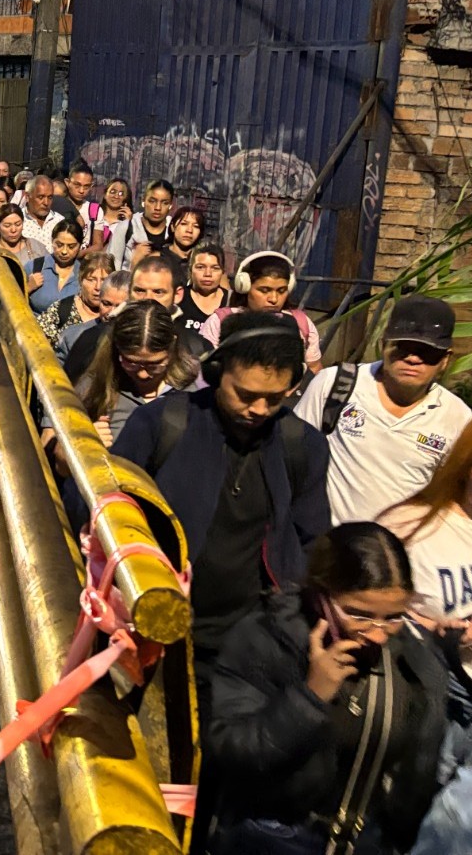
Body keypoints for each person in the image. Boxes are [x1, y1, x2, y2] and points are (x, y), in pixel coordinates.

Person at [203, 522, 447, 855]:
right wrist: (309, 697)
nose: (377, 634)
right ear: (322, 596)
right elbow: (231, 752)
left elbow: (416, 776)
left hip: (361, 841)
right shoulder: (266, 639)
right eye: (359, 614)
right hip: (272, 836)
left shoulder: (414, 662)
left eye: (393, 617)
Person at [103, 310, 330, 667]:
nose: (258, 409)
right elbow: (104, 510)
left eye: (274, 399)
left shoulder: (303, 445)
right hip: (156, 635)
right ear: (215, 373)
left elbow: (312, 542)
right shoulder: (160, 424)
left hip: (254, 648)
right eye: (245, 394)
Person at [384, 414, 472, 775]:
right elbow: (369, 609)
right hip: (440, 702)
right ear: (465, 469)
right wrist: (433, 632)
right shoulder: (408, 526)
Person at [295, 296, 472, 526]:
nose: (412, 358)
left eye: (427, 352)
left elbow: (452, 496)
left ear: (445, 359)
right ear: (383, 345)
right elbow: (293, 456)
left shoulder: (457, 416)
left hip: (403, 555)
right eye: (402, 347)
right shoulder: (335, 385)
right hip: (330, 549)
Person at [71, 300, 200, 447]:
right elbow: (58, 458)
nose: (143, 374)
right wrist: (83, 442)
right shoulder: (93, 387)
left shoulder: (197, 385)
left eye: (154, 365)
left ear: (172, 347)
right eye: (131, 363)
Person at [64, 255, 211, 382]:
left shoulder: (195, 348)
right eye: (139, 291)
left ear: (177, 295)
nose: (148, 299)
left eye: (158, 292)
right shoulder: (95, 340)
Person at [199, 251, 323, 372]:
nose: (273, 299)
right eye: (264, 290)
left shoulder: (301, 323)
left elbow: (314, 368)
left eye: (281, 291)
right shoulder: (220, 321)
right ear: (244, 286)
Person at [37, 250, 116, 347]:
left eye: (104, 280)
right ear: (81, 280)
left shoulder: (117, 313)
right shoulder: (61, 310)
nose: (98, 287)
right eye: (91, 280)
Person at [107, 179, 173, 265]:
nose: (158, 207)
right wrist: (135, 261)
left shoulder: (175, 229)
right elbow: (112, 265)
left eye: (164, 203)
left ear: (170, 205)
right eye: (152, 201)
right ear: (144, 200)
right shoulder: (127, 227)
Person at [27, 219, 86, 313]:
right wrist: (28, 288)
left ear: (80, 245)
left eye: (71, 247)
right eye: (59, 245)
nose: (64, 251)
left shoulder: (85, 274)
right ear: (52, 241)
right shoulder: (34, 267)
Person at [178, 242, 230, 332]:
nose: (208, 274)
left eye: (215, 268)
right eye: (200, 267)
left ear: (222, 272)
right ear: (190, 269)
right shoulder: (179, 298)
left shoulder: (231, 301)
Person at [51, 162, 105, 248]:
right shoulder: (56, 205)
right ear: (67, 182)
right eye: (77, 185)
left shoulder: (95, 211)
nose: (81, 190)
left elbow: (98, 245)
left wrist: (76, 254)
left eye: (86, 186)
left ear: (91, 186)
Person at [0, 203, 46, 280]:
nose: (13, 230)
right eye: (7, 225)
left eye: (18, 224)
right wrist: (29, 287)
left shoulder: (36, 246)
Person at [157, 206, 204, 284]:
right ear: (172, 226)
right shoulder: (158, 257)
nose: (189, 230)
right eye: (184, 224)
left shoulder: (205, 260)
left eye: (196, 226)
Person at [20, 175, 63, 252]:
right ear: (27, 196)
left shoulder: (60, 221)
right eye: (40, 197)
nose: (46, 203)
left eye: (50, 197)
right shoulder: (18, 221)